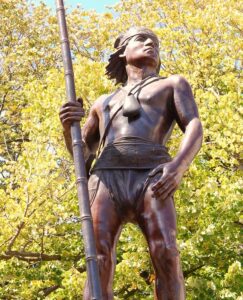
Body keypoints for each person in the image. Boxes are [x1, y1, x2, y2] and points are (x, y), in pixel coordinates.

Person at [59, 27, 203, 300]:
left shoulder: (172, 84)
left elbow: (194, 124)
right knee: (98, 256)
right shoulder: (103, 102)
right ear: (122, 52)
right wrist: (69, 129)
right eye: (141, 39)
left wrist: (179, 166)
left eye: (156, 43)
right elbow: (84, 157)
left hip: (153, 176)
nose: (151, 43)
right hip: (105, 178)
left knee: (166, 251)